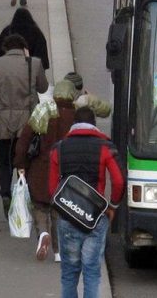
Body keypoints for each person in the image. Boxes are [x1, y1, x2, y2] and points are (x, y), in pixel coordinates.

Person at [48, 107, 125, 298]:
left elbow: (52, 188)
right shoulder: (105, 147)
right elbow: (119, 181)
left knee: (69, 274)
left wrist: (64, 207)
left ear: (73, 124)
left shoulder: (59, 148)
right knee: (91, 273)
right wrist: (112, 205)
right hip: (95, 217)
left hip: (68, 217)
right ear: (94, 125)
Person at [13, 80, 78, 263]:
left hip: (40, 169)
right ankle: (58, 252)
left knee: (40, 207)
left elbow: (24, 140)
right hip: (65, 170)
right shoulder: (76, 116)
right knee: (59, 210)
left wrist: (20, 165)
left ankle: (42, 234)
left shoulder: (43, 111)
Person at [0, 34, 49, 217]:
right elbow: (43, 88)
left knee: (3, 163)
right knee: (24, 161)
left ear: (6, 48)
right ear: (24, 48)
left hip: (3, 121)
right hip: (27, 124)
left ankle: (5, 193)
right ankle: (22, 200)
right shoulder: (34, 63)